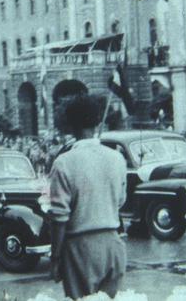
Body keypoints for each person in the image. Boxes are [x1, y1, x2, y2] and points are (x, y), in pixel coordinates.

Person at [48, 94, 127, 300]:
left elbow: (59, 218)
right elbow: (120, 201)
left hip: (80, 248)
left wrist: (55, 258)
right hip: (113, 244)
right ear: (98, 122)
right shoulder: (117, 158)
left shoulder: (64, 162)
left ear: (71, 126)